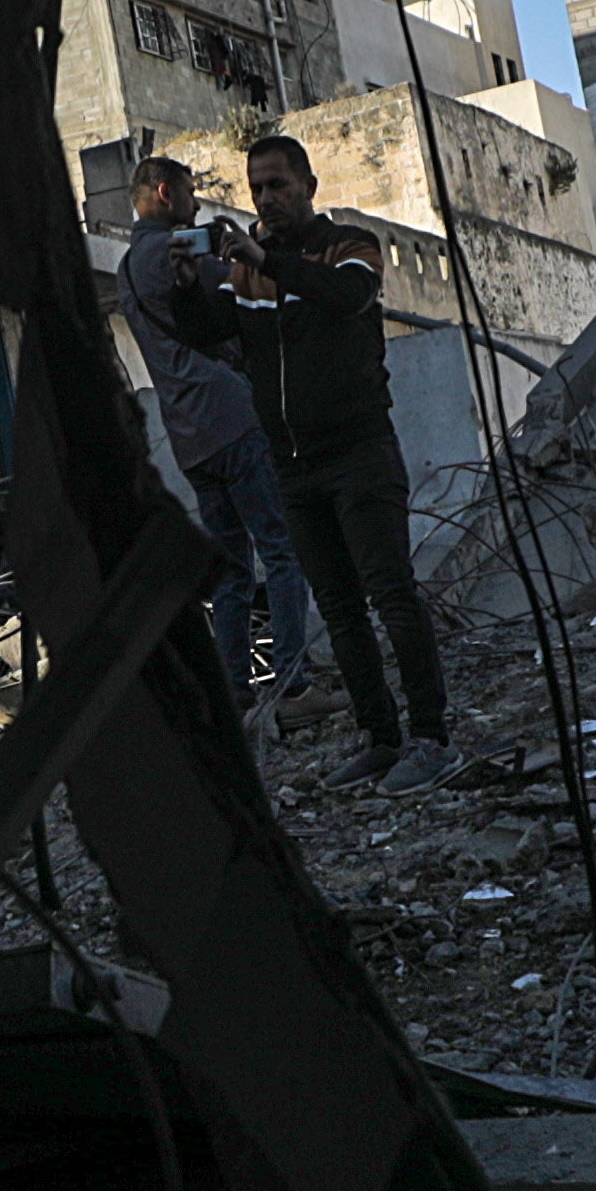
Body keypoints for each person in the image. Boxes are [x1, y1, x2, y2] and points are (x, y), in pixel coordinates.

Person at [206, 128, 452, 787]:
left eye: (279, 184)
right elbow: (211, 331)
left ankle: (431, 737)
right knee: (339, 610)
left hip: (359, 452)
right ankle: (380, 738)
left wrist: (270, 259)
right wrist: (182, 284)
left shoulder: (350, 248)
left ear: (310, 187)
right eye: (257, 187)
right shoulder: (247, 271)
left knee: (391, 594)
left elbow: (344, 297)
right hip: (294, 465)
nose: (267, 197)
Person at [113, 154, 314, 697]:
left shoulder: (126, 267)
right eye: (187, 192)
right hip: (232, 416)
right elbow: (242, 285)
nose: (195, 203)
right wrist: (244, 248)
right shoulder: (172, 251)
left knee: (229, 567)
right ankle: (294, 677)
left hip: (188, 436)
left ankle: (235, 683)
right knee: (280, 547)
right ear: (163, 193)